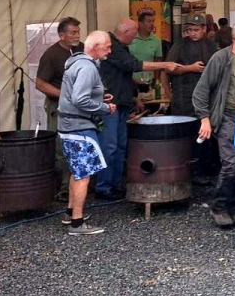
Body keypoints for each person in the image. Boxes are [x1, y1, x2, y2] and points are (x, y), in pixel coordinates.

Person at [96, 19, 179, 200]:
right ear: (125, 32)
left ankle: (116, 183)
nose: (134, 38)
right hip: (110, 105)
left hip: (122, 102)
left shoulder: (121, 47)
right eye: (133, 34)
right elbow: (132, 65)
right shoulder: (112, 47)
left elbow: (121, 72)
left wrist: (135, 90)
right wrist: (164, 65)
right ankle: (103, 186)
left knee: (120, 146)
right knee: (109, 146)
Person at [193, 21, 235, 229]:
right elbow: (201, 91)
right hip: (226, 117)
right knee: (232, 163)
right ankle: (219, 206)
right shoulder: (220, 58)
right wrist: (205, 118)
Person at [57, 30, 116, 235]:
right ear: (96, 47)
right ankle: (77, 223)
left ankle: (70, 213)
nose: (110, 50)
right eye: (107, 46)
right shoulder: (87, 67)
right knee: (84, 174)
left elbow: (76, 94)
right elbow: (80, 99)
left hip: (68, 125)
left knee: (77, 171)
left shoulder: (76, 63)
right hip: (79, 127)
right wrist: (104, 108)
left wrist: (99, 98)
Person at [162, 14, 216, 185]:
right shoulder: (180, 45)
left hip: (206, 98)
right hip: (184, 98)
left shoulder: (211, 46)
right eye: (189, 30)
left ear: (204, 29)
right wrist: (189, 68)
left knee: (205, 134)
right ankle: (190, 171)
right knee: (187, 135)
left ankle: (206, 166)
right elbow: (167, 69)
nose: (192, 33)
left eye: (196, 30)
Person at [35, 16, 83, 199]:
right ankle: (64, 189)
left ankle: (81, 184)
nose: (77, 35)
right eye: (73, 32)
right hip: (59, 106)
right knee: (62, 147)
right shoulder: (51, 55)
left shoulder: (81, 49)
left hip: (80, 106)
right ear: (62, 35)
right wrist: (63, 95)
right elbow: (40, 84)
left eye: (78, 32)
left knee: (80, 143)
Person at [128, 11, 164, 92]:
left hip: (149, 83)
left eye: (153, 21)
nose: (152, 24)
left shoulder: (156, 40)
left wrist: (156, 79)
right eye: (149, 21)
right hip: (130, 82)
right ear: (140, 23)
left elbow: (158, 60)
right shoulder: (131, 37)